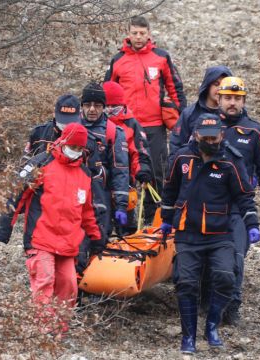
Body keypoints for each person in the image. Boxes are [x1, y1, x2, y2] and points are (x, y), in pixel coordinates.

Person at [159, 114, 260, 354]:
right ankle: (188, 337)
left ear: (221, 136)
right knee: (186, 283)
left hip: (219, 233)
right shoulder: (181, 158)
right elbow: (170, 190)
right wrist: (165, 220)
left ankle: (212, 326)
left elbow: (244, 197)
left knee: (226, 277)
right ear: (195, 135)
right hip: (187, 233)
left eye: (214, 137)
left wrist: (252, 223)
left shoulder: (230, 162)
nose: (210, 142)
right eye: (206, 138)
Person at [0, 123, 102, 332]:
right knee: (45, 280)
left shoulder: (85, 175)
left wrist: (96, 237)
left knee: (69, 285)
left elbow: (87, 211)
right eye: (73, 147)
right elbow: (16, 193)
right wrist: (4, 228)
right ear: (63, 141)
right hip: (40, 237)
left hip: (68, 242)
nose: (75, 152)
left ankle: (59, 330)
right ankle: (43, 332)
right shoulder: (41, 164)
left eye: (80, 149)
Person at [105, 15, 187, 224]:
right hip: (125, 126)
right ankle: (126, 218)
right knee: (126, 170)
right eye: (134, 33)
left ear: (149, 34)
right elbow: (107, 91)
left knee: (157, 172)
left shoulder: (161, 57)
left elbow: (175, 87)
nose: (138, 37)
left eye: (142, 33)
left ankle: (153, 218)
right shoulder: (118, 60)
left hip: (155, 125)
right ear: (128, 34)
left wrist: (181, 118)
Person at [212, 76, 260, 325]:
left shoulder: (254, 131)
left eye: (237, 99)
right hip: (208, 205)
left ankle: (232, 306)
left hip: (240, 207)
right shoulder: (206, 125)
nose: (232, 103)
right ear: (218, 98)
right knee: (209, 258)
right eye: (228, 98)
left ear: (243, 101)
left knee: (236, 257)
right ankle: (208, 304)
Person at [76, 82, 130, 271]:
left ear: (104, 107)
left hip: (101, 198)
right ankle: (75, 293)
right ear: (81, 106)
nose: (92, 109)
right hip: (73, 197)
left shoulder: (113, 132)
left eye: (97, 105)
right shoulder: (71, 128)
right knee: (76, 244)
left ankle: (93, 286)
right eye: (87, 104)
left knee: (99, 241)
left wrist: (121, 204)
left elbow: (120, 169)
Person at [102, 80, 153, 231]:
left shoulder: (132, 125)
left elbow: (140, 152)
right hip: (100, 185)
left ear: (122, 105)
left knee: (127, 229)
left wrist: (143, 172)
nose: (110, 110)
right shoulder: (95, 124)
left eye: (114, 107)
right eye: (107, 107)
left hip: (125, 184)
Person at [169, 65, 233, 160]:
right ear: (207, 86)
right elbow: (176, 146)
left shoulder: (234, 114)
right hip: (195, 170)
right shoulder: (190, 114)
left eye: (224, 85)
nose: (220, 89)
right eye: (216, 84)